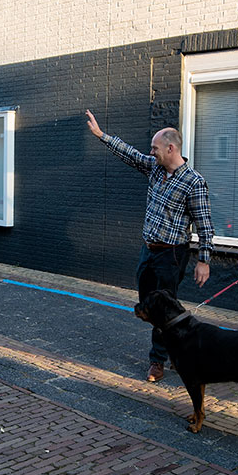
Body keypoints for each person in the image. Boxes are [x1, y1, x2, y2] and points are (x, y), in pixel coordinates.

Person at [85, 109, 214, 383]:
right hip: (149, 250)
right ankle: (174, 350)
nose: (151, 152)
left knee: (163, 307)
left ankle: (158, 361)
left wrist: (204, 260)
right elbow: (129, 154)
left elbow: (205, 224)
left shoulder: (194, 182)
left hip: (172, 254)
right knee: (148, 305)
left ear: (170, 148)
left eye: (155, 148)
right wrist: (101, 135)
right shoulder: (155, 169)